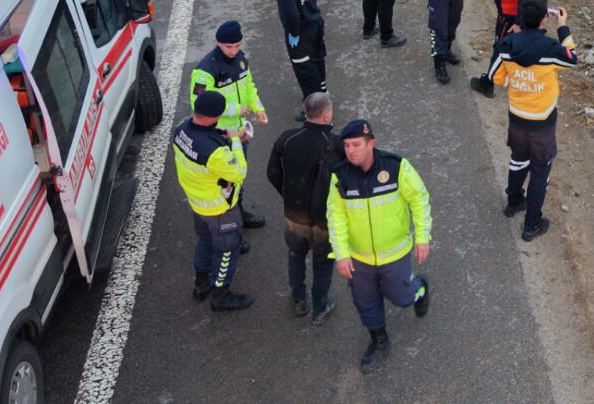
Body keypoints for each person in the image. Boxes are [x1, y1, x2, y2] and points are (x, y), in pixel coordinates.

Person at [326, 119, 431, 374]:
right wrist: (341, 255)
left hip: (394, 254)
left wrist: (422, 238)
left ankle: (420, 289)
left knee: (402, 297)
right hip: (359, 259)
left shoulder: (396, 168)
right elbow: (335, 216)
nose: (351, 151)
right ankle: (379, 341)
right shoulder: (340, 176)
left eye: (356, 145)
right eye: (347, 145)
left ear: (370, 143)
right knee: (365, 303)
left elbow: (419, 199)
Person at [470, 0, 577, 242]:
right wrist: (563, 27)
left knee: (518, 160)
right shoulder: (551, 49)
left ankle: (514, 201)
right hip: (543, 123)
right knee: (540, 171)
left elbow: (495, 77)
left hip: (517, 118)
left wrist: (514, 82)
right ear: (543, 19)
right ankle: (532, 224)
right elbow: (572, 59)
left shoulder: (507, 45)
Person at [172, 91, 254, 311]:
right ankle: (221, 295)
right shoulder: (215, 152)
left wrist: (222, 135)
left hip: (197, 203)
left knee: (205, 242)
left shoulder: (180, 130)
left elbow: (202, 136)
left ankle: (201, 283)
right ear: (216, 116)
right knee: (227, 250)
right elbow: (239, 171)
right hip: (219, 209)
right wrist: (236, 141)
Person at [267, 92, 338, 324]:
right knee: (323, 263)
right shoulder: (334, 145)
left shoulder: (287, 138)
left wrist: (288, 196)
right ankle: (320, 306)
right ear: (327, 114)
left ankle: (299, 300)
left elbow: (273, 173)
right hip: (323, 220)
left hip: (294, 215)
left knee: (296, 256)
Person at [190, 20, 269, 229]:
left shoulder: (241, 60)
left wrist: (258, 108)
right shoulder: (205, 71)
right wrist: (235, 109)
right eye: (228, 47)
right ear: (217, 42)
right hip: (218, 135)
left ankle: (239, 215)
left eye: (237, 45)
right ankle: (227, 226)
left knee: (238, 178)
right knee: (224, 182)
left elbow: (249, 86)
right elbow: (198, 104)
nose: (233, 51)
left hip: (239, 132)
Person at [272, 0, 327, 99]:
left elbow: (291, 14)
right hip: (316, 22)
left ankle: (316, 104)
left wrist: (293, 34)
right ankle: (323, 92)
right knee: (318, 58)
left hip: (302, 33)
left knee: (305, 68)